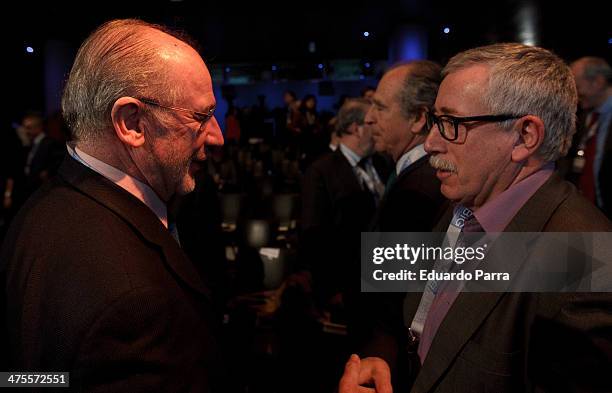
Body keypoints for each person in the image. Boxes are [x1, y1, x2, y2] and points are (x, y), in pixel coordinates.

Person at [340, 43, 612, 393]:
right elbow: (411, 325)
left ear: (525, 136)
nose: (431, 143)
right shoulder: (459, 208)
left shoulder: (585, 260)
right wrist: (385, 363)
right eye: (437, 121)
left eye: (452, 123)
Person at [1, 19, 224, 391]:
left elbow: (27, 379)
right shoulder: (134, 302)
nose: (215, 136)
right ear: (131, 122)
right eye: (200, 117)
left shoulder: (42, 207)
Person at [365, 60, 447, 232]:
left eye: (380, 107)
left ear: (418, 118)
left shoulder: (417, 193)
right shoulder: (416, 173)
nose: (368, 118)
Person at [568, 57, 612, 217]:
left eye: (577, 87)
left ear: (598, 82)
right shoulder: (583, 114)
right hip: (590, 211)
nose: (575, 95)